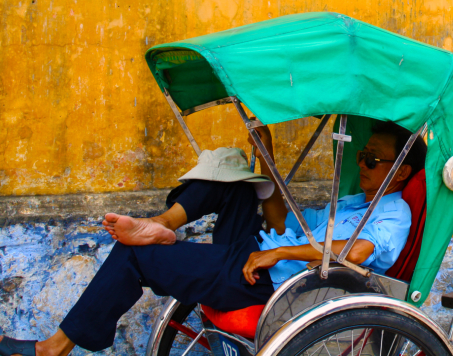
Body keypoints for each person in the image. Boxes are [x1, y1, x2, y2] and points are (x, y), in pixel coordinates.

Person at [0, 122, 426, 356]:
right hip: (258, 249)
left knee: (134, 256)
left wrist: (279, 252)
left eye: (372, 158)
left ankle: (51, 350)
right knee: (238, 180)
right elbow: (282, 220)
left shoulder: (395, 213)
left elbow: (357, 251)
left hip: (271, 279)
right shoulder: (352, 202)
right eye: (361, 155)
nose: (363, 163)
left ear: (401, 171)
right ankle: (164, 221)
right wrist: (268, 161)